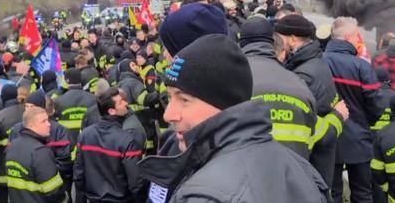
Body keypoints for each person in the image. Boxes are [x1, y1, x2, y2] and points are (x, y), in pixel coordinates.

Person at [138, 34, 331, 203]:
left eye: (184, 99)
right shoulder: (304, 170)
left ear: (223, 102)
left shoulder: (203, 195)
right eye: (170, 97)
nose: (169, 114)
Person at [275, 14, 342, 188]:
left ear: (292, 39)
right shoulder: (313, 60)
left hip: (313, 157)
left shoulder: (303, 74)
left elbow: (301, 117)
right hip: (320, 152)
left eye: (279, 37)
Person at [322, 17, 384, 203]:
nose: (359, 40)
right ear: (349, 36)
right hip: (358, 138)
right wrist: (366, 122)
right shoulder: (361, 66)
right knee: (362, 192)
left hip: (328, 137)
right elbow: (376, 104)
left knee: (331, 192)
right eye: (358, 36)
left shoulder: (319, 62)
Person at [74, 87, 145, 202]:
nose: (126, 103)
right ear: (111, 111)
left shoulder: (85, 136)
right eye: (121, 102)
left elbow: (79, 174)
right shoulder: (127, 140)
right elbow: (136, 182)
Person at [6, 107, 68, 203]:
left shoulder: (12, 147)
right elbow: (54, 191)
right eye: (43, 121)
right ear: (31, 125)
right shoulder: (40, 152)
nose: (49, 124)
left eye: (48, 120)